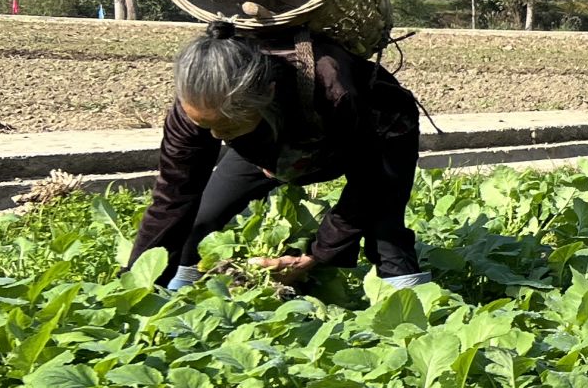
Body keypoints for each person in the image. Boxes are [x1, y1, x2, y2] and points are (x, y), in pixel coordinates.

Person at [130, 22, 429, 290]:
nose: (217, 137)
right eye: (204, 125)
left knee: (385, 230)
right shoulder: (199, 103)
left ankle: (408, 300)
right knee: (198, 221)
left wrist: (315, 254)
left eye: (228, 125)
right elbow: (173, 195)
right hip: (270, 145)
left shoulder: (334, 92)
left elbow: (370, 184)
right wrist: (137, 283)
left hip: (377, 131)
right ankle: (177, 290)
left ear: (267, 94)